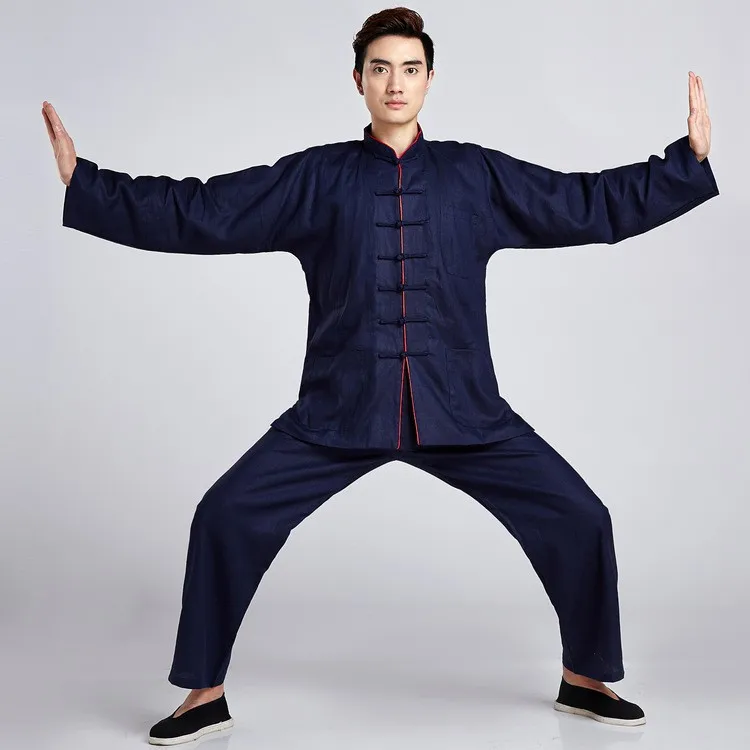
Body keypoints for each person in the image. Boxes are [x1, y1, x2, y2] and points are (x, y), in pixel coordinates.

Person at [42, 6, 717, 745]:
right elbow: (205, 211)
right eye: (381, 68)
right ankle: (203, 694)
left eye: (410, 69)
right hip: (339, 410)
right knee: (225, 515)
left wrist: (684, 165)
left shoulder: (472, 174)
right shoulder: (317, 178)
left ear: (430, 79)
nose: (396, 83)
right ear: (359, 79)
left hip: (462, 410)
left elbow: (583, 202)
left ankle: (585, 678)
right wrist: (89, 184)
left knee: (580, 517)